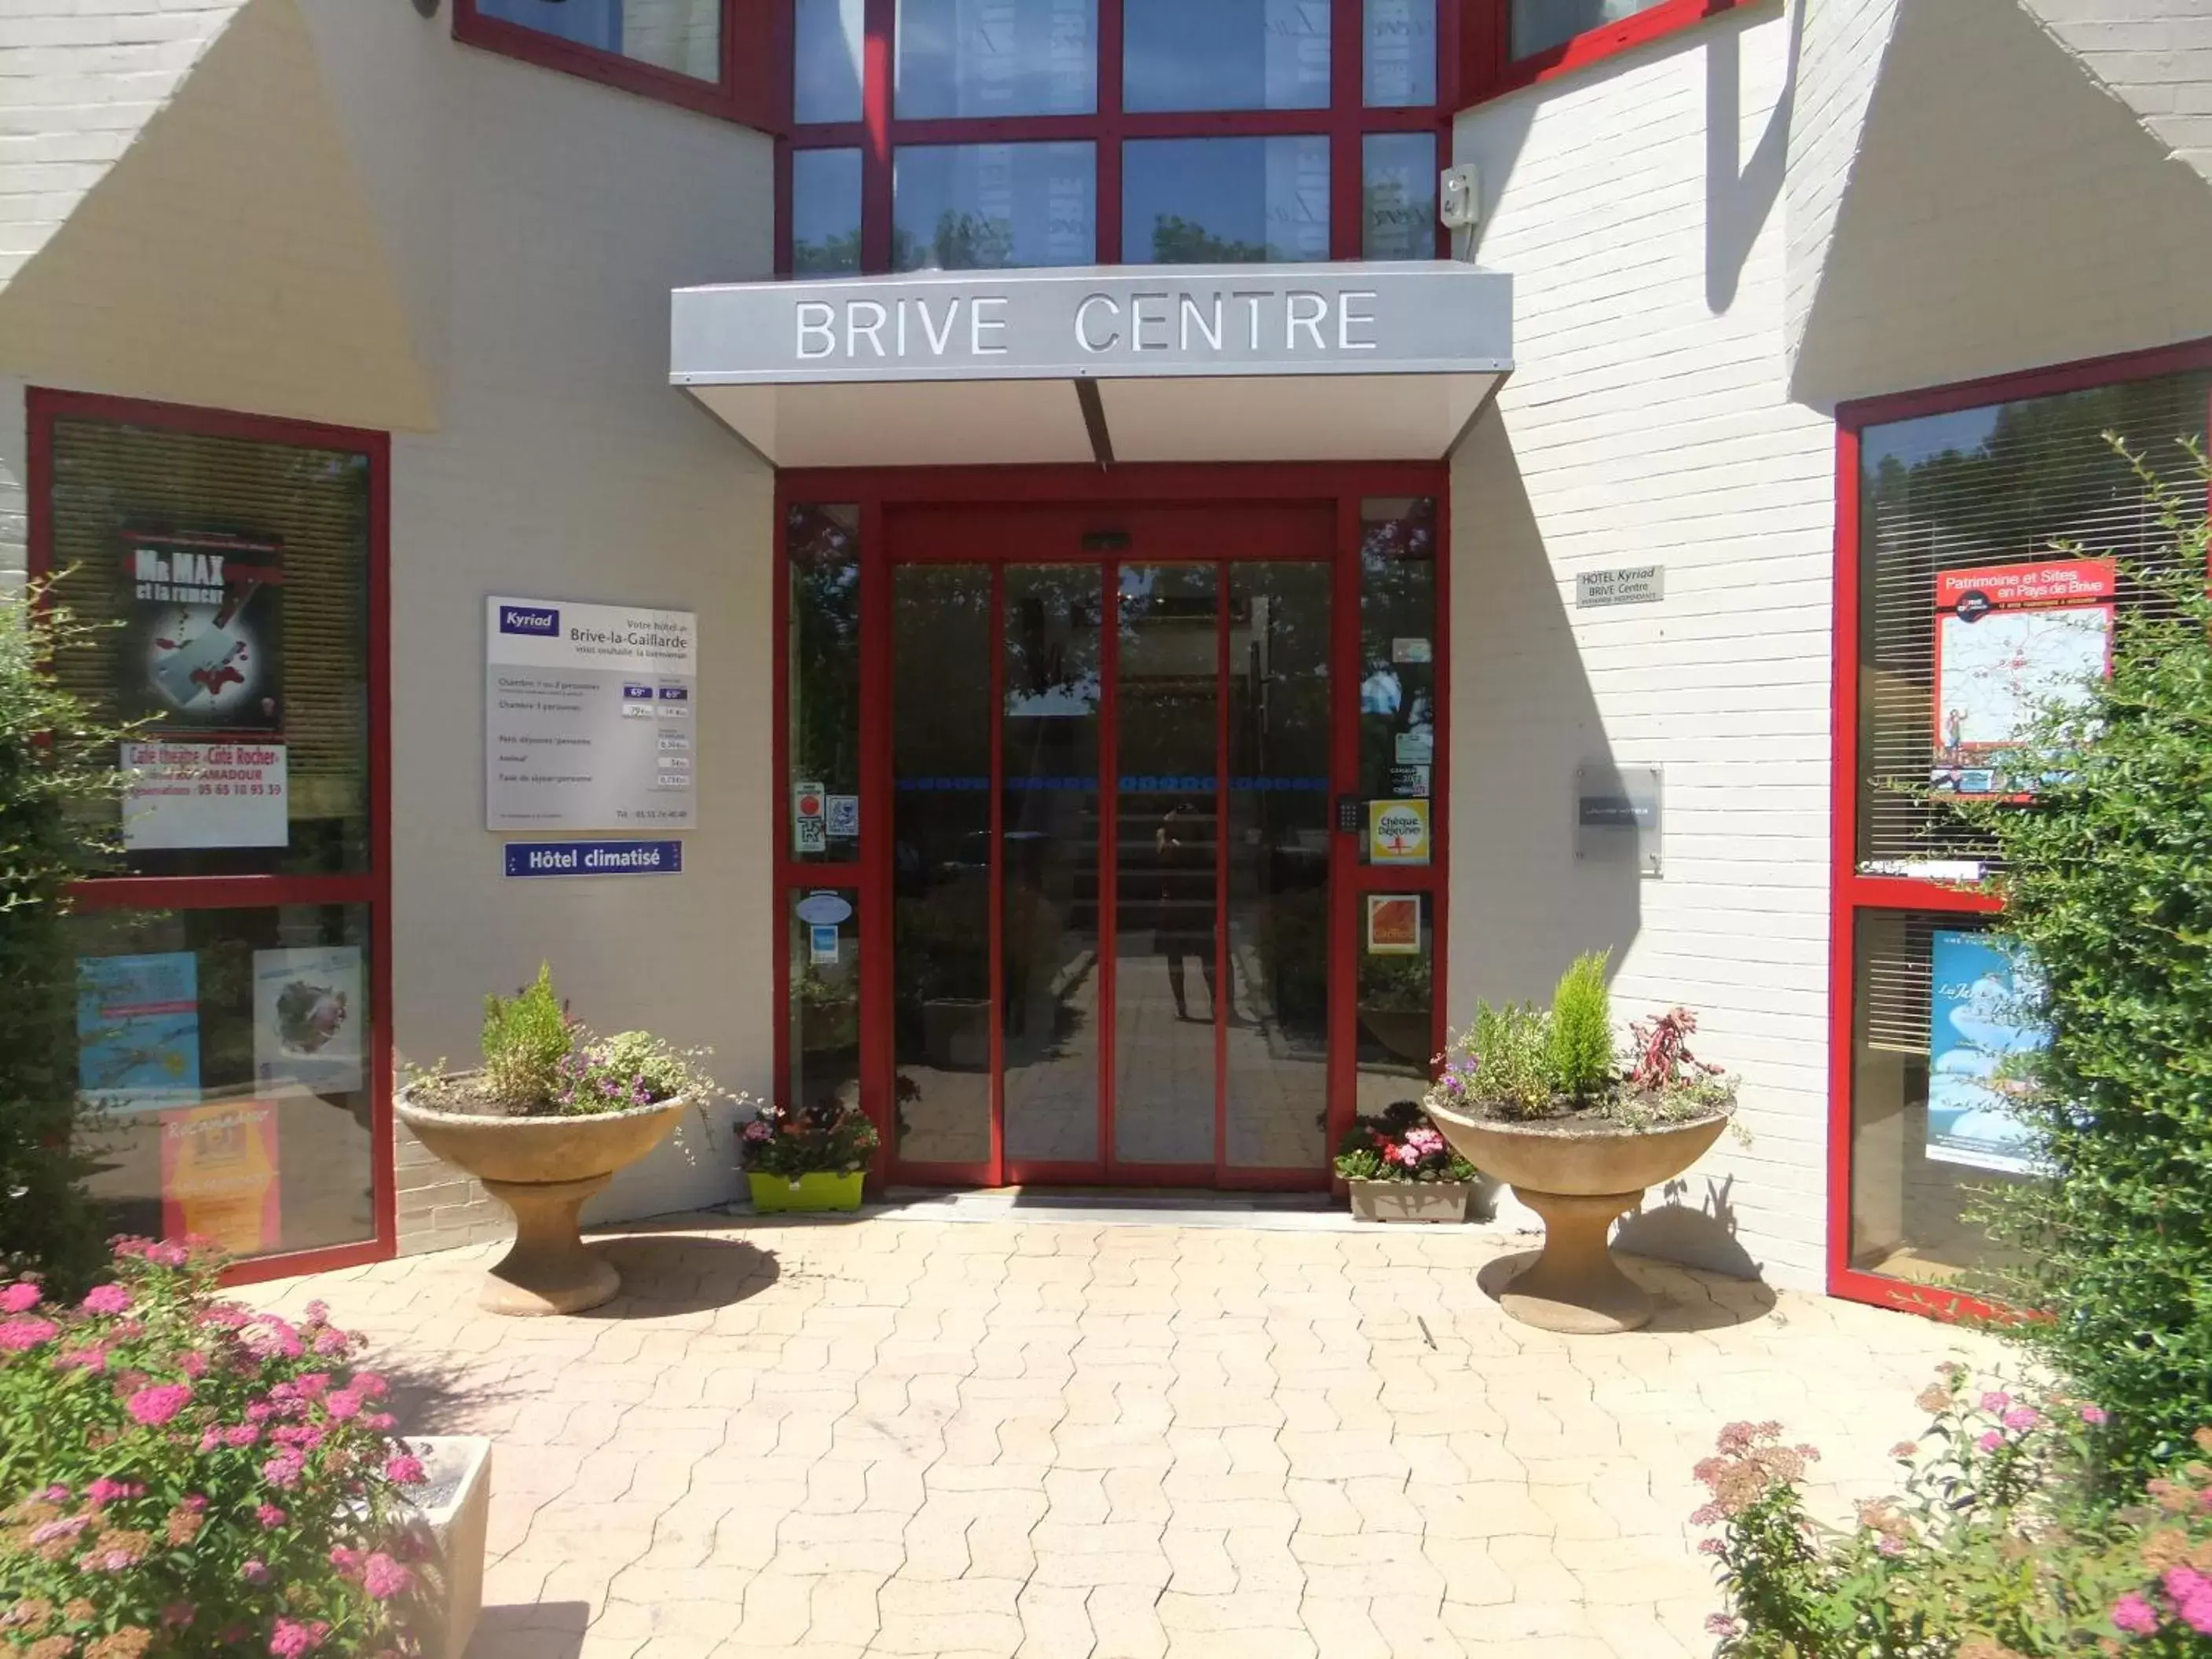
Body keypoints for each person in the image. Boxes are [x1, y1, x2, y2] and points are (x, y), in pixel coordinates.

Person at [1155, 799, 1217, 1021]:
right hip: (1173, 901)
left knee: (1208, 955)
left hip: (1198, 901)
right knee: (1175, 955)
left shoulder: (1204, 839)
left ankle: (1216, 1002)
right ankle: (1181, 1004)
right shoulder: (1166, 836)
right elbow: (1164, 853)